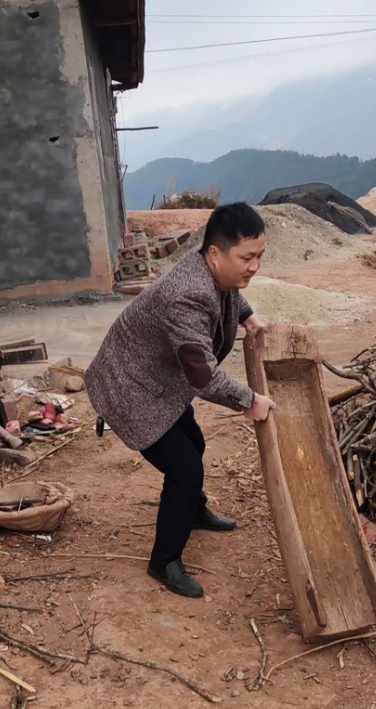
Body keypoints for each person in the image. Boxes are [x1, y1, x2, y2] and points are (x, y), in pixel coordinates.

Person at [86, 201, 275, 600]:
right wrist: (249, 399)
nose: (254, 266)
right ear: (214, 253)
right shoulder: (185, 297)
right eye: (247, 257)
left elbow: (229, 292)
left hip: (158, 380)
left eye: (259, 255)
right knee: (185, 468)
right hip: (130, 387)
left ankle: (192, 511)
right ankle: (164, 560)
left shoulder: (211, 268)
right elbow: (204, 377)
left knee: (195, 444)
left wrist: (248, 316)